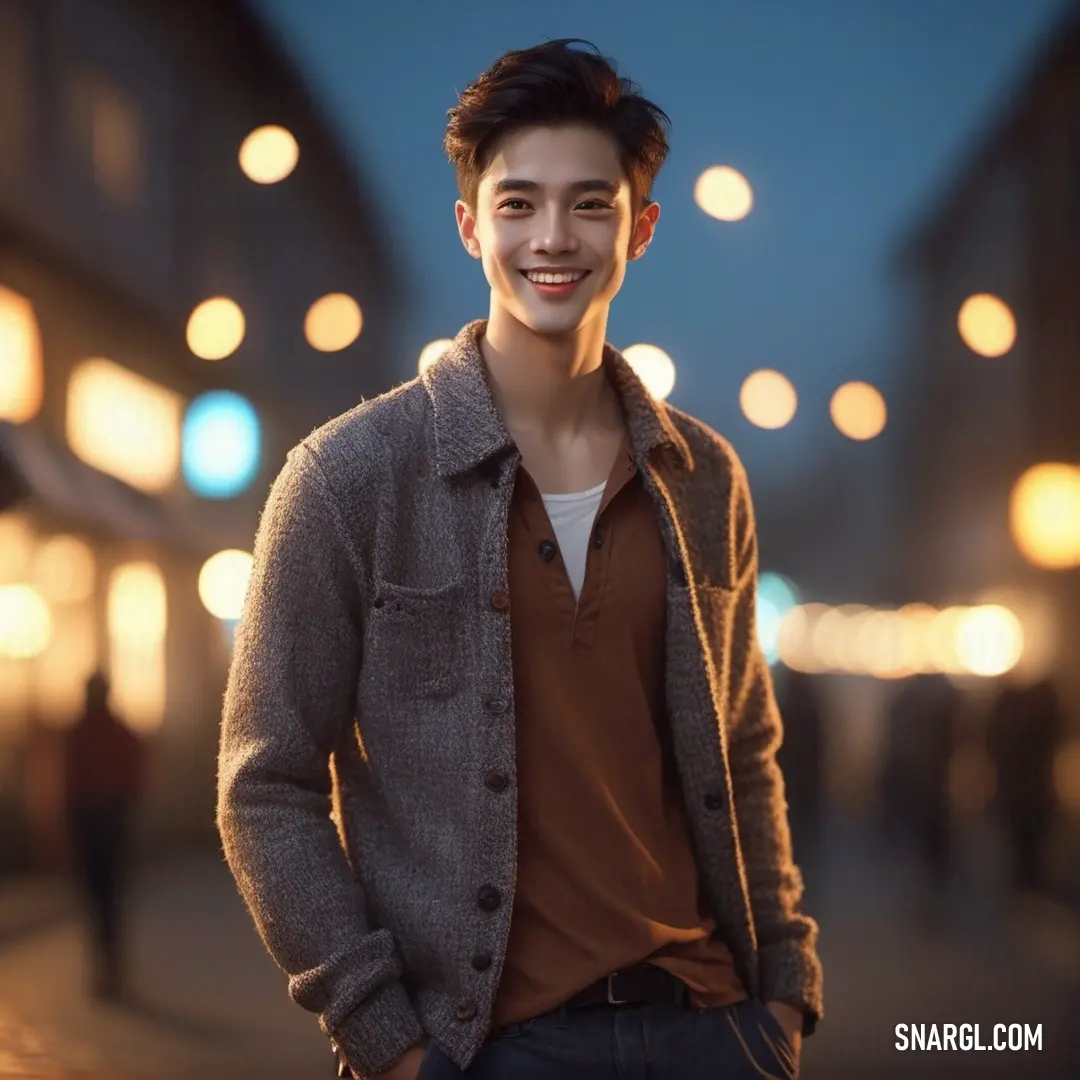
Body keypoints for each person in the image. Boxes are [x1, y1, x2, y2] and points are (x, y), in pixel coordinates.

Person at [217, 39, 822, 1080]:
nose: (554, 237)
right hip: (483, 1047)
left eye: (590, 204)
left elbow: (746, 747)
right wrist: (387, 1042)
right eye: (518, 204)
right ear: (469, 225)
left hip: (709, 1023)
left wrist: (784, 994)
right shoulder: (349, 478)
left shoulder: (703, 475)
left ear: (641, 226)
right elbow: (262, 785)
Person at [62, 670, 145, 1000]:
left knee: (101, 897)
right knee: (106, 897)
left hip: (98, 819)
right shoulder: (110, 731)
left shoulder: (83, 732)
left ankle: (107, 968)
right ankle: (108, 967)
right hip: (106, 818)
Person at [986, 677, 1066, 895]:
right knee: (1025, 844)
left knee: (1028, 845)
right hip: (1028, 795)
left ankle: (1027, 889)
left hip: (1028, 795)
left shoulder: (1014, 722)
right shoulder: (1025, 723)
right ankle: (1026, 889)